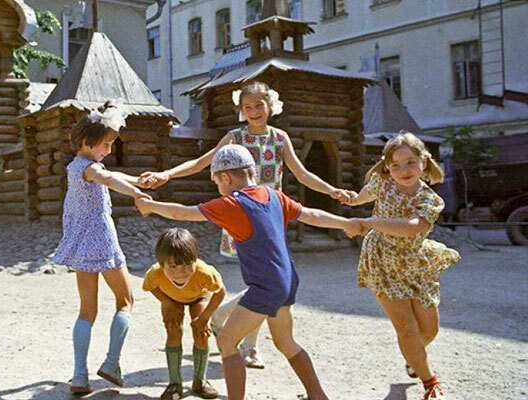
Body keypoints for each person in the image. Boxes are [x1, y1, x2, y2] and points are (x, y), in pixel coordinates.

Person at [139, 81, 353, 368]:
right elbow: (201, 162)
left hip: (271, 214)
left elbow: (302, 174)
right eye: (247, 106)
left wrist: (331, 190)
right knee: (259, 280)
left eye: (259, 105)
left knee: (263, 281)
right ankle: (249, 344)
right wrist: (167, 175)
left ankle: (233, 328)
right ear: (240, 110)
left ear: (270, 106)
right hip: (239, 214)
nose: (254, 111)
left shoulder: (280, 138)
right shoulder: (234, 138)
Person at [136, 144, 362, 400]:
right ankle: (317, 395)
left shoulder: (232, 204)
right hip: (288, 281)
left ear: (226, 177)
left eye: (217, 183)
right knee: (285, 342)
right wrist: (346, 223)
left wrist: (150, 206)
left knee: (227, 342)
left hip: (266, 287)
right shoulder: (275, 195)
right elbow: (311, 215)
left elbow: (182, 213)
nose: (218, 188)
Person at [345, 132, 461, 400]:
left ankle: (413, 358)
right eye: (395, 165)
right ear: (387, 167)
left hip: (415, 262)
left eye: (410, 163)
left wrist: (369, 222)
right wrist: (350, 198)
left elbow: (412, 228)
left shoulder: (430, 200)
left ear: (423, 161)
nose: (404, 170)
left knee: (429, 329)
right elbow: (362, 197)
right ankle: (429, 381)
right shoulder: (382, 182)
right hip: (382, 260)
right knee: (406, 328)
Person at [53, 103, 150, 394]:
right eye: (105, 144)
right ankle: (111, 362)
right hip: (102, 241)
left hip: (82, 245)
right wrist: (138, 193)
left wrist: (139, 179)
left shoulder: (76, 167)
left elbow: (110, 174)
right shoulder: (91, 169)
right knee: (126, 300)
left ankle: (79, 376)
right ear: (86, 141)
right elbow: (107, 177)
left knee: (87, 311)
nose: (109, 149)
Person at [143, 228, 227, 399]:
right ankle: (175, 383)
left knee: (201, 333)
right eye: (173, 266)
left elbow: (220, 292)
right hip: (171, 299)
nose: (181, 272)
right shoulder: (156, 273)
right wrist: (167, 304)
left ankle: (200, 381)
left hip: (199, 296)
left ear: (195, 258)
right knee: (173, 330)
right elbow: (150, 287)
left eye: (188, 264)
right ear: (162, 264)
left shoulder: (204, 272)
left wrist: (204, 318)